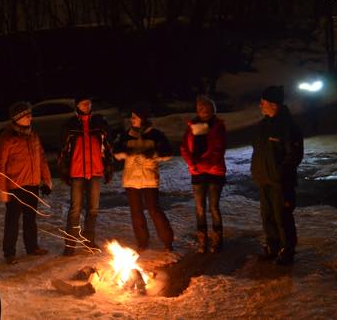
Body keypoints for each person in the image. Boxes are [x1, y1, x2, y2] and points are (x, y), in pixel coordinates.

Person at [0, 101, 53, 265]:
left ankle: (32, 247)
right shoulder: (6, 138)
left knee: (30, 218)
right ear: (17, 118)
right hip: (15, 187)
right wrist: (2, 189)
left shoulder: (33, 136)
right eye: (26, 115)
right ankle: (9, 253)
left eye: (30, 114)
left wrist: (46, 179)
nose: (30, 118)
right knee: (12, 221)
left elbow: (41, 159)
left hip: (32, 184)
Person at [251, 85, 303, 265]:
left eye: (263, 102)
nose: (260, 106)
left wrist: (280, 174)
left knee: (282, 216)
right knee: (268, 216)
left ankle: (287, 249)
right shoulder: (262, 126)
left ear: (273, 104)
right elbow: (258, 151)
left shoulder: (288, 127)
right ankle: (272, 246)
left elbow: (294, 156)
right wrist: (257, 172)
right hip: (264, 180)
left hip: (281, 182)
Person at [114, 102, 174, 252]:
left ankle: (167, 241)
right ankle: (142, 242)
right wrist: (126, 153)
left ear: (143, 118)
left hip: (149, 178)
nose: (132, 119)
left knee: (154, 209)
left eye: (135, 117)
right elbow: (116, 152)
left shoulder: (155, 135)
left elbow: (167, 153)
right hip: (131, 178)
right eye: (131, 117)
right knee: (136, 211)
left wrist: (153, 155)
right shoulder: (126, 135)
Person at [58, 96, 114, 255]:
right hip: (77, 172)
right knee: (75, 209)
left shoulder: (99, 123)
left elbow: (108, 146)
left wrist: (108, 166)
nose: (87, 105)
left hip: (95, 171)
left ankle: (89, 242)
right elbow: (62, 149)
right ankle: (70, 245)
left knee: (93, 209)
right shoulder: (70, 125)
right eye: (84, 103)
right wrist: (63, 169)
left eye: (89, 102)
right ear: (77, 105)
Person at [180, 95, 227, 253]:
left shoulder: (218, 126)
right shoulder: (192, 126)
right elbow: (184, 148)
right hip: (197, 172)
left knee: (213, 207)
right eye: (201, 109)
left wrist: (202, 165)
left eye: (207, 108)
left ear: (213, 110)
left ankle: (217, 239)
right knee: (199, 208)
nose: (204, 111)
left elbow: (218, 150)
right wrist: (193, 164)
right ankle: (202, 240)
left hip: (214, 171)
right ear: (197, 111)